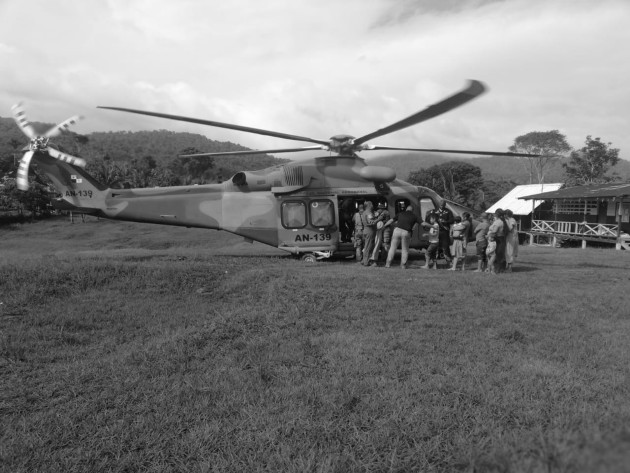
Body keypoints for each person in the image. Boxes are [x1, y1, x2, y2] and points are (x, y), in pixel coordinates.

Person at [385, 205, 422, 269]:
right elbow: (423, 223)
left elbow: (391, 221)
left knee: (392, 248)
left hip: (397, 231)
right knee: (405, 249)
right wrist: (431, 226)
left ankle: (388, 264)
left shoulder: (400, 214)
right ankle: (403, 265)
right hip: (406, 232)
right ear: (412, 210)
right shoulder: (414, 216)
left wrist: (384, 226)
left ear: (406, 209)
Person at [487, 208, 508, 273]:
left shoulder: (497, 222)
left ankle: (494, 269)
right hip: (501, 238)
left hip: (496, 239)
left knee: (494, 254)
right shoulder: (502, 221)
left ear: (496, 214)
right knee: (499, 254)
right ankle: (497, 268)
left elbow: (494, 231)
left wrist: (488, 235)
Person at [435, 200, 454, 265]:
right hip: (436, 231)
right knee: (435, 246)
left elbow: (452, 220)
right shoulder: (434, 211)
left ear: (445, 205)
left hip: (445, 231)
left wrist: (445, 222)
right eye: (441, 205)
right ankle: (434, 262)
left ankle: (449, 261)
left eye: (443, 205)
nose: (442, 206)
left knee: (445, 246)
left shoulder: (448, 212)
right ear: (439, 204)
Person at [361, 201, 378, 266]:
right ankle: (366, 262)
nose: (372, 205)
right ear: (369, 205)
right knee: (369, 247)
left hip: (366, 231)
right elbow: (371, 222)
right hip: (370, 231)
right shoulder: (369, 212)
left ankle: (364, 260)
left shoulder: (364, 212)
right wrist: (378, 219)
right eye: (371, 204)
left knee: (366, 246)